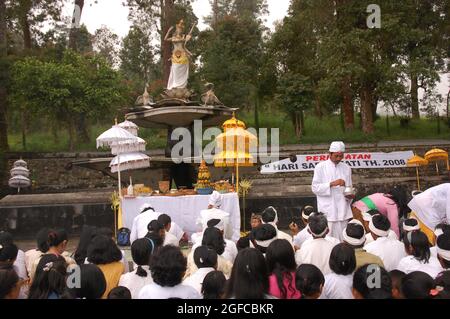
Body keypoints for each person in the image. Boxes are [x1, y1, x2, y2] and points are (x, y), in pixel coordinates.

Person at [312, 141, 353, 240]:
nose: (339, 158)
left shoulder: (346, 168)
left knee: (344, 240)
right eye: (336, 156)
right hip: (328, 212)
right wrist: (331, 184)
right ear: (329, 154)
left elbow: (349, 187)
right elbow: (315, 188)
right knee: (329, 240)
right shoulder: (320, 167)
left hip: (343, 211)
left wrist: (349, 195)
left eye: (341, 156)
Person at [164, 19, 194, 90]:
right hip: (175, 57)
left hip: (183, 56)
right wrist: (169, 31)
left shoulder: (183, 37)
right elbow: (165, 39)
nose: (179, 30)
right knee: (175, 70)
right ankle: (175, 85)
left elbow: (189, 35)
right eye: (178, 29)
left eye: (181, 29)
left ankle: (181, 86)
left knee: (181, 72)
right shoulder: (174, 37)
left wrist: (193, 26)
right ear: (176, 30)